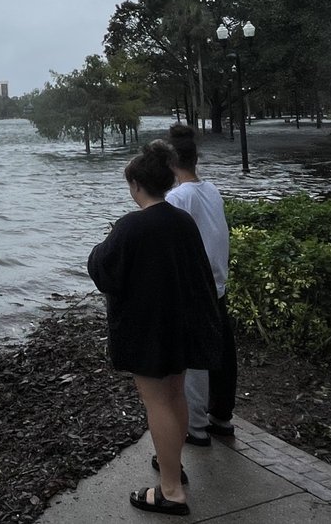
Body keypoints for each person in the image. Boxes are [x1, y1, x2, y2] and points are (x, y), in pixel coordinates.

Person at [88, 140, 222, 516]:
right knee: (175, 395)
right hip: (182, 324)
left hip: (149, 329)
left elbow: (103, 270)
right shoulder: (181, 220)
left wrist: (101, 246)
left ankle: (170, 491)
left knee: (157, 400)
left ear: (136, 185)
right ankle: (171, 465)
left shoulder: (132, 225)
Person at [165, 123, 237, 446]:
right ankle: (221, 417)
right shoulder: (211, 191)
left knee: (194, 361)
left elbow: (170, 247)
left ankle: (195, 429)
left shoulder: (178, 198)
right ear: (196, 159)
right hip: (217, 282)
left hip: (195, 288)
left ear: (171, 163)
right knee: (221, 353)